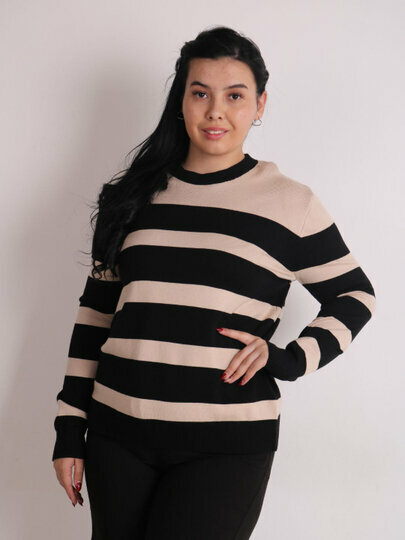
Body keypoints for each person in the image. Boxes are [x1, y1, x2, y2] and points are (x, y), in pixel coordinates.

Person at [52, 25, 376, 540]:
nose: (215, 111)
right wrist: (70, 428)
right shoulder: (130, 196)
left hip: (225, 446)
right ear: (181, 100)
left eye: (235, 96)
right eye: (200, 93)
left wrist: (288, 359)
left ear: (260, 104)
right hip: (117, 433)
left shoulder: (289, 203)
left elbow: (354, 295)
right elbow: (94, 316)